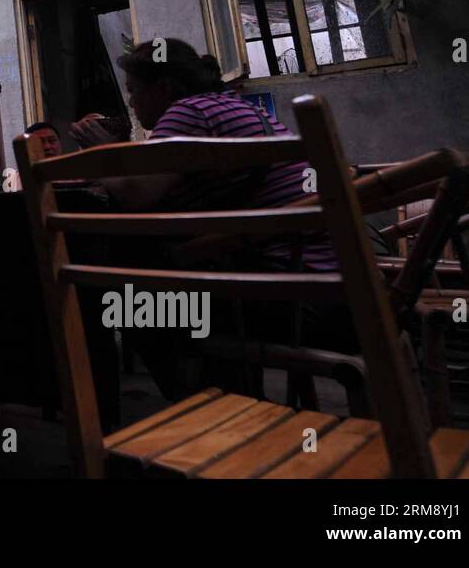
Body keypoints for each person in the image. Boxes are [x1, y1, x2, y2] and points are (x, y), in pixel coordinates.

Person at [70, 38, 347, 403]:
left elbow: (138, 196)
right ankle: (234, 404)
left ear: (164, 87)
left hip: (295, 298)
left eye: (134, 92)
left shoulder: (188, 113)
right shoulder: (228, 107)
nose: (131, 104)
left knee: (130, 297)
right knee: (159, 274)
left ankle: (212, 409)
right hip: (331, 284)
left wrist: (101, 152)